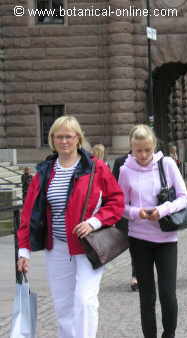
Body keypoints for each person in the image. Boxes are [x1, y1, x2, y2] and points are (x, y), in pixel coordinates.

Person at [17, 115, 124, 338]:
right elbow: (29, 213)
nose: (64, 141)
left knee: (85, 301)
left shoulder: (95, 167)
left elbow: (117, 201)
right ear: (52, 140)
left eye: (68, 136)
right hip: (56, 247)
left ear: (78, 138)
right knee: (63, 305)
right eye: (59, 137)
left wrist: (94, 222)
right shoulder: (45, 171)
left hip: (87, 246)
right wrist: (23, 250)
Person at [118, 124, 187, 338]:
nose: (142, 155)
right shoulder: (125, 170)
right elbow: (119, 205)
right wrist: (135, 212)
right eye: (138, 150)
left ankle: (169, 335)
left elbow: (184, 198)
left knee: (168, 294)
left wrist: (162, 209)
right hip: (139, 238)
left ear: (154, 146)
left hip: (166, 237)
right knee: (146, 296)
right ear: (131, 148)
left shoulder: (166, 164)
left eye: (147, 150)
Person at [112, 151, 138, 291]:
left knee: (141, 244)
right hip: (126, 211)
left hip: (144, 211)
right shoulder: (120, 162)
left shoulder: (155, 160)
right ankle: (138, 273)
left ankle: (137, 275)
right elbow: (113, 187)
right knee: (133, 244)